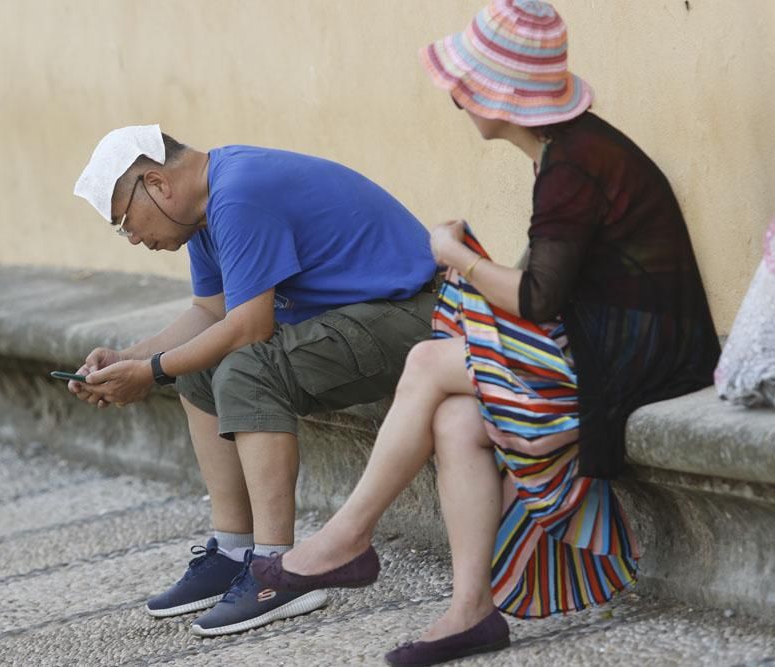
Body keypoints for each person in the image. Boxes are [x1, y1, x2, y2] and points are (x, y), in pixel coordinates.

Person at [251, 0, 721, 664]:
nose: (454, 96)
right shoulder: (570, 152)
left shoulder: (573, 167)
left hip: (638, 360)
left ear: (499, 96)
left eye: (463, 84)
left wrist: (458, 255)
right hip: (615, 344)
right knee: (455, 420)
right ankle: (472, 610)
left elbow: (535, 298)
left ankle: (346, 537)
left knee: (425, 359)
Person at [70, 125, 439, 636]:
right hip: (366, 316)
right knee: (198, 365)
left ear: (156, 182)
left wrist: (150, 372)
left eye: (125, 222)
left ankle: (277, 572)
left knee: (248, 367)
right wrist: (127, 359)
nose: (133, 237)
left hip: (418, 313)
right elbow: (211, 312)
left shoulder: (240, 192)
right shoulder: (204, 212)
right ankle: (234, 550)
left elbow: (249, 328)